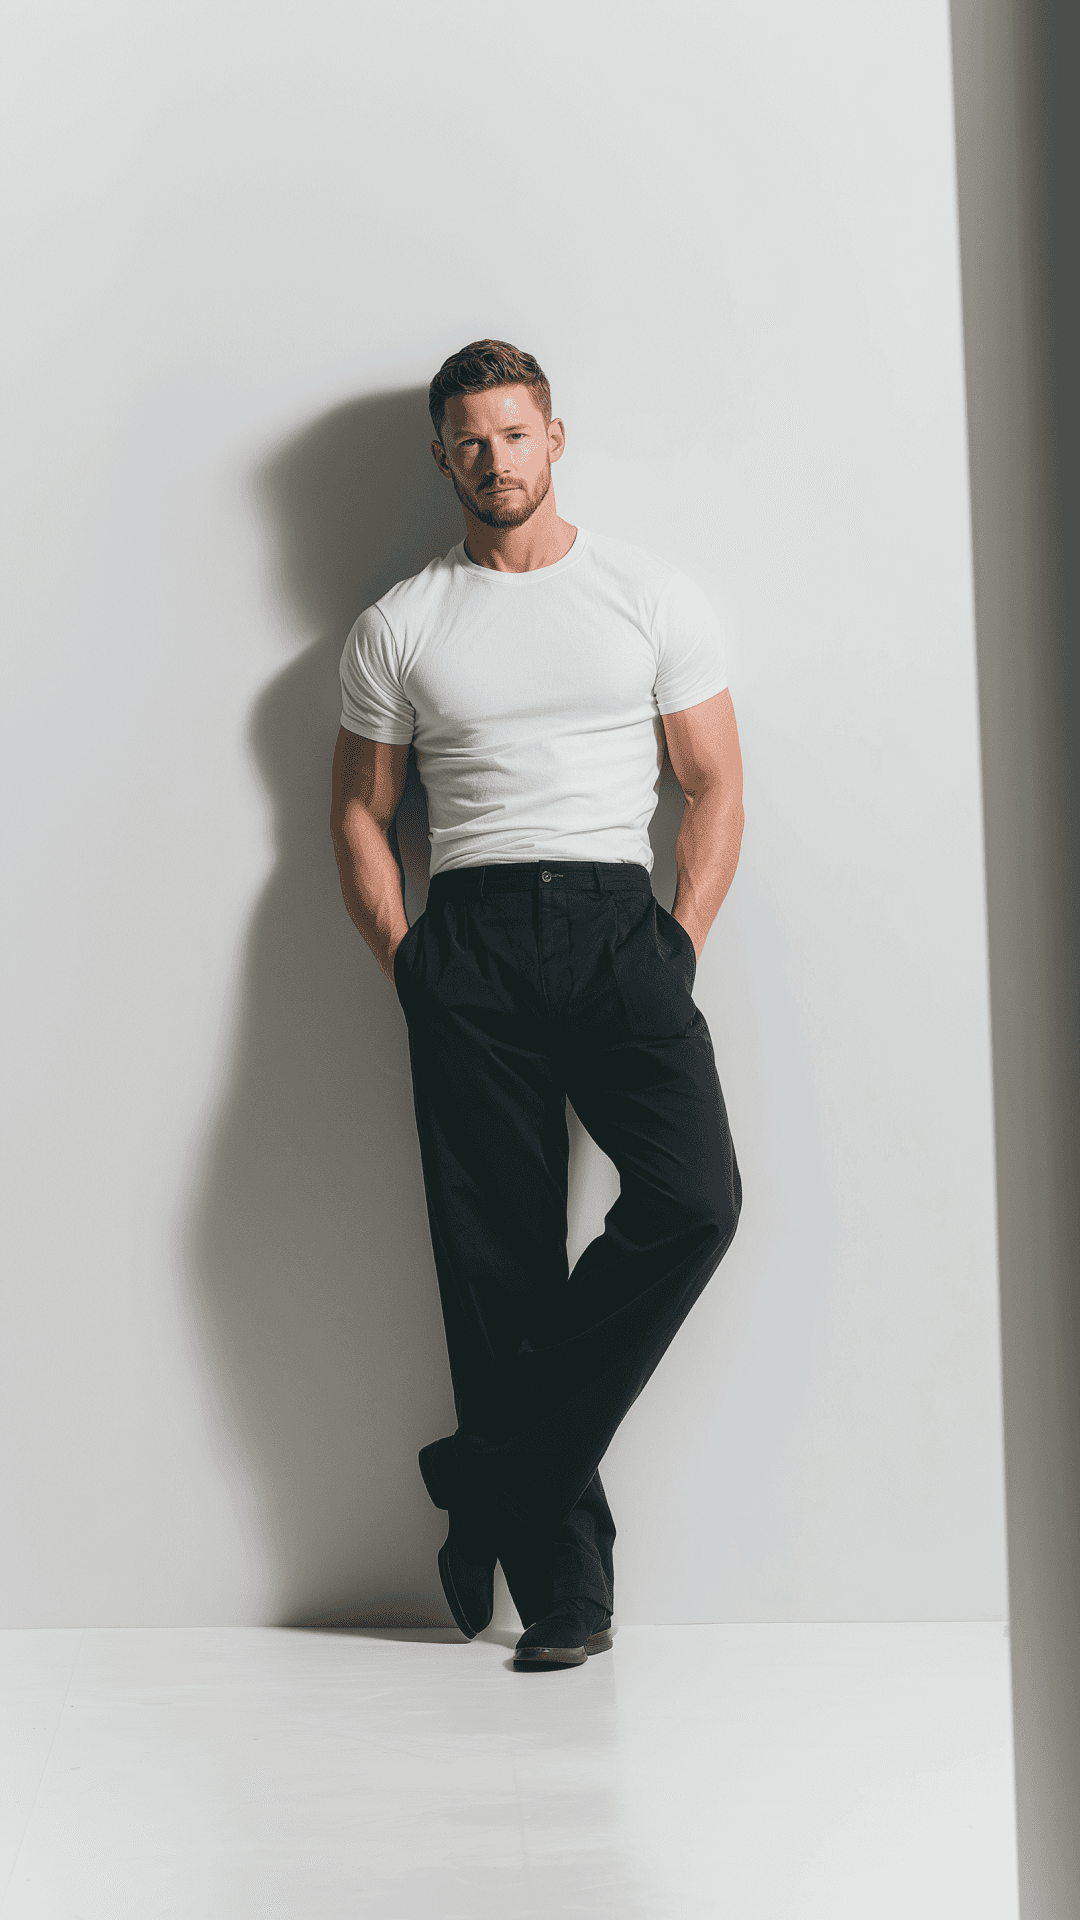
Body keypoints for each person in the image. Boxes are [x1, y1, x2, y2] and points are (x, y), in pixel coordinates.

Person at [330, 340, 743, 1672]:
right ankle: (566, 1596)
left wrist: (677, 941)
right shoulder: (402, 623)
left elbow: (714, 784)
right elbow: (360, 811)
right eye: (470, 440)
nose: (494, 459)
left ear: (554, 439)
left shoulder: (647, 593)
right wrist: (410, 961)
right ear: (442, 457)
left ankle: (488, 1471)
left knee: (694, 1201)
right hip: (474, 942)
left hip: (622, 930)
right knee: (496, 1265)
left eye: (515, 434)